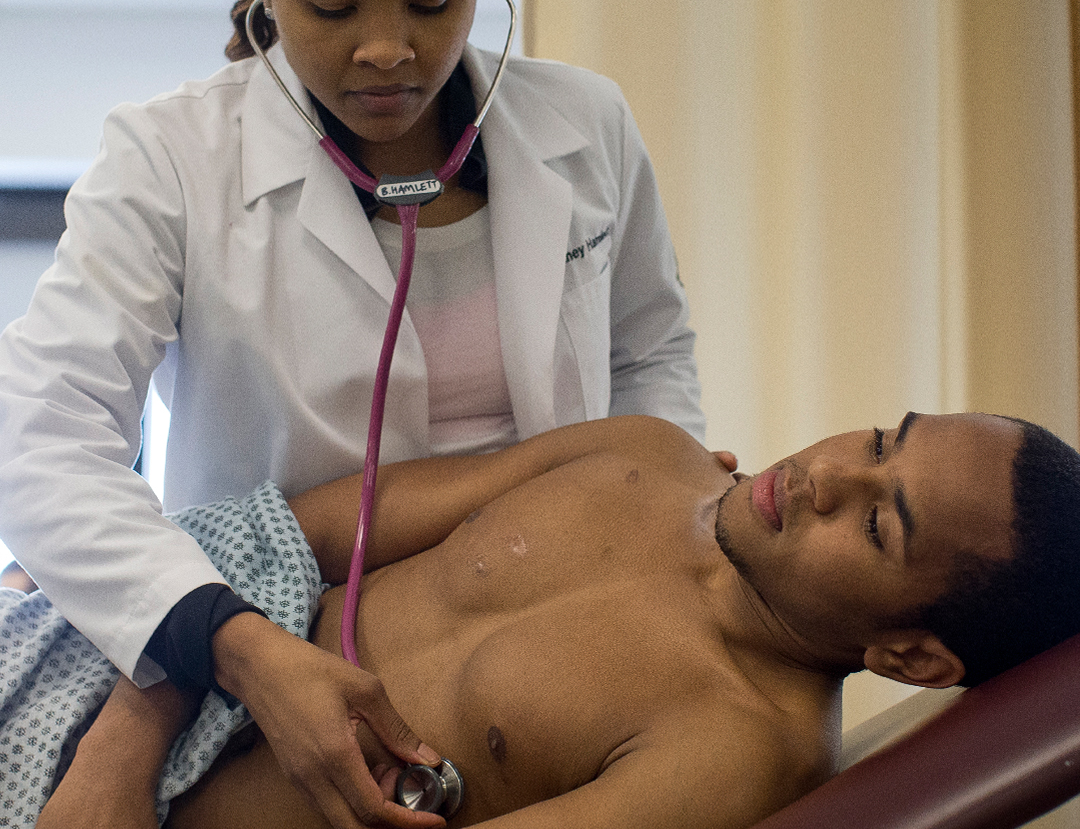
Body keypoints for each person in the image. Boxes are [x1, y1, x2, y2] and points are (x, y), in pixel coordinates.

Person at [0, 0, 703, 825]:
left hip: (551, 610)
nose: (387, 50)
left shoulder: (584, 124)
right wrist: (228, 643)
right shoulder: (172, 156)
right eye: (331, 7)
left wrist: (664, 526)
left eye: (434, 1)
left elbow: (649, 350)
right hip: (272, 634)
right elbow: (43, 432)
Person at [27, 411, 1080, 829]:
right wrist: (125, 745)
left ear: (910, 656)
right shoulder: (641, 453)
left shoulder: (736, 755)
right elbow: (290, 533)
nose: (829, 476)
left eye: (879, 524)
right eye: (884, 440)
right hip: (115, 674)